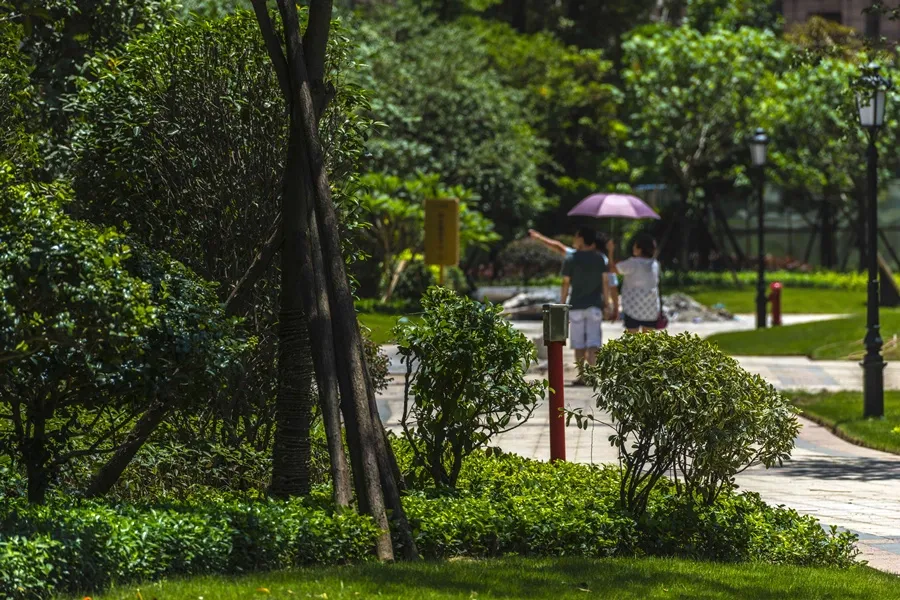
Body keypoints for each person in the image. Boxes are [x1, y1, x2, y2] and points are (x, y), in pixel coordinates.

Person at [528, 229, 619, 320]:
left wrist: (539, 238)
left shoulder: (574, 256)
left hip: (577, 306)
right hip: (595, 307)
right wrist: (615, 308)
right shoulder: (603, 261)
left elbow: (559, 248)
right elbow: (612, 286)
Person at [559, 227, 611, 384]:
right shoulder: (600, 259)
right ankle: (593, 375)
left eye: (576, 236)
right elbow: (605, 282)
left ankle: (582, 376)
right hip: (595, 306)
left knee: (579, 345)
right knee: (594, 343)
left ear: (582, 239)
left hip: (576, 306)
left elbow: (565, 283)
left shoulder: (571, 259)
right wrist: (607, 304)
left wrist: (562, 304)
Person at [614, 233, 661, 333]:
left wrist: (610, 252)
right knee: (648, 339)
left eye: (635, 246)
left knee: (632, 338)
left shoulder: (633, 263)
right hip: (651, 308)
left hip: (632, 307)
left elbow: (613, 269)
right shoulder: (655, 264)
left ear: (640, 249)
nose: (633, 248)